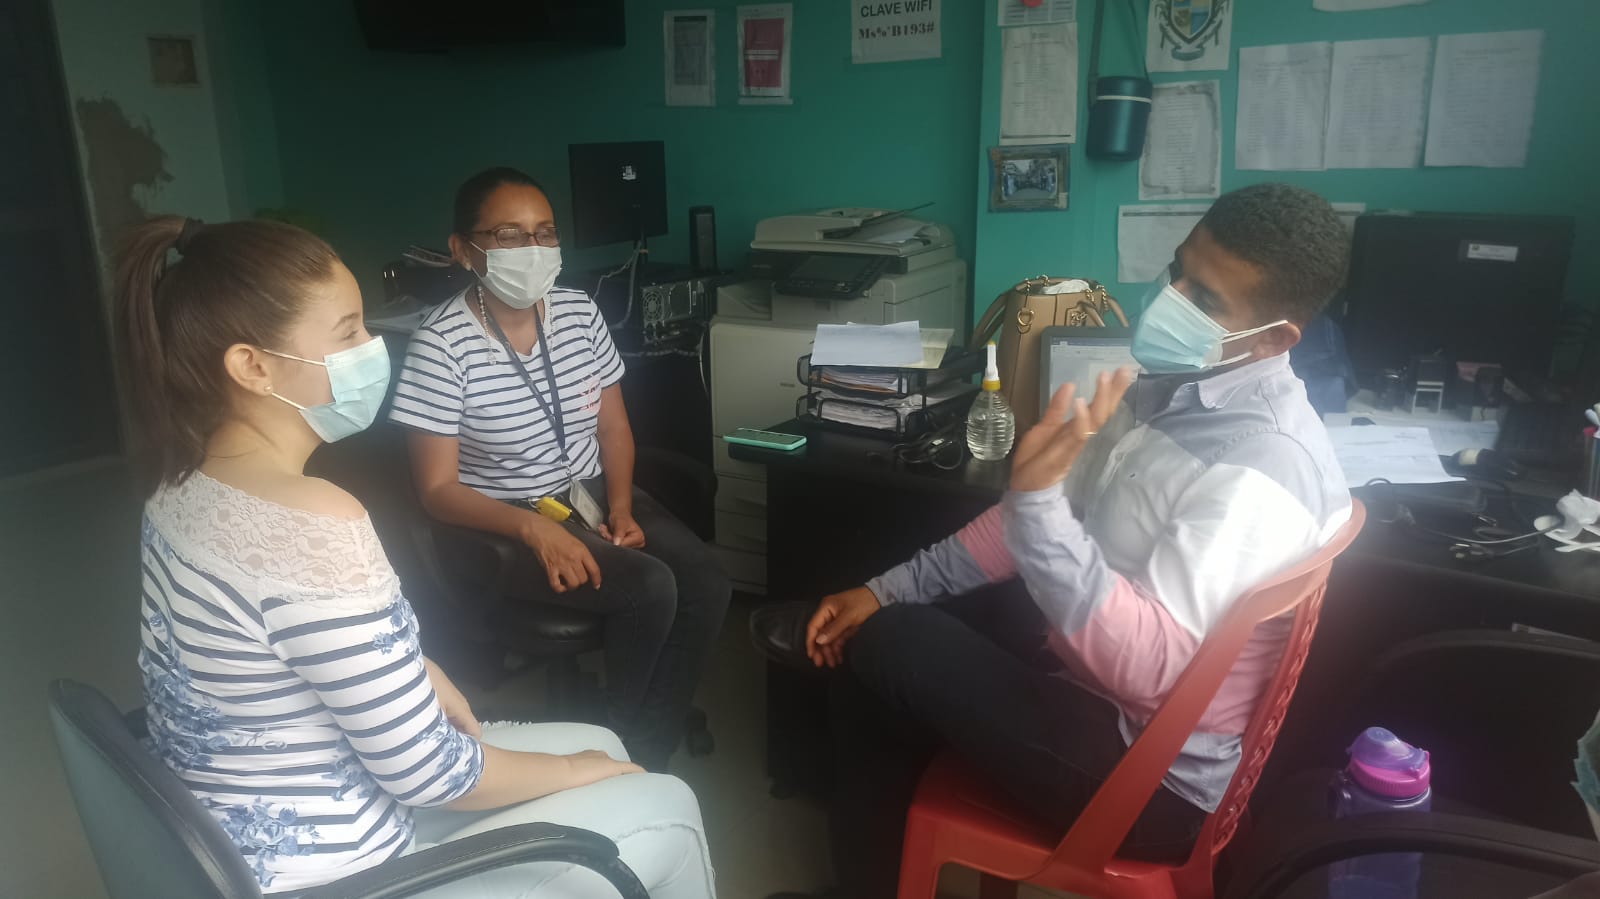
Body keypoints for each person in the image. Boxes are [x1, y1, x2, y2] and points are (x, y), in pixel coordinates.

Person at [771, 183, 1355, 898]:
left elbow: (1148, 667)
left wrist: (1037, 504)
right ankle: (879, 834)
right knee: (898, 622)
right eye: (1178, 269)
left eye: (1205, 300)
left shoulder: (1263, 467)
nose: (1170, 299)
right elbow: (1026, 524)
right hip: (1103, 697)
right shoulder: (1168, 385)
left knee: (893, 645)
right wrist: (882, 589)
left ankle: (869, 861)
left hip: (1150, 780)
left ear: (1273, 339)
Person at [115, 215, 715, 897]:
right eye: (348, 332)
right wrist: (578, 772)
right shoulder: (317, 520)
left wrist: (418, 668)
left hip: (245, 830)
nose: (372, 348)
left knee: (607, 747)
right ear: (252, 366)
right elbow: (431, 774)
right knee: (665, 800)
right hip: (345, 872)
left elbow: (288, 643)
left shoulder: (177, 485)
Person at [388, 168, 729, 772]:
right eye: (510, 234)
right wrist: (535, 529)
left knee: (706, 578)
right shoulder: (440, 345)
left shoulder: (579, 312)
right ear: (464, 250)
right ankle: (619, 754)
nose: (534, 248)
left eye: (545, 232)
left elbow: (613, 428)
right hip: (503, 517)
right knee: (649, 589)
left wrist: (620, 506)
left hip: (588, 489)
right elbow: (437, 490)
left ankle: (639, 745)